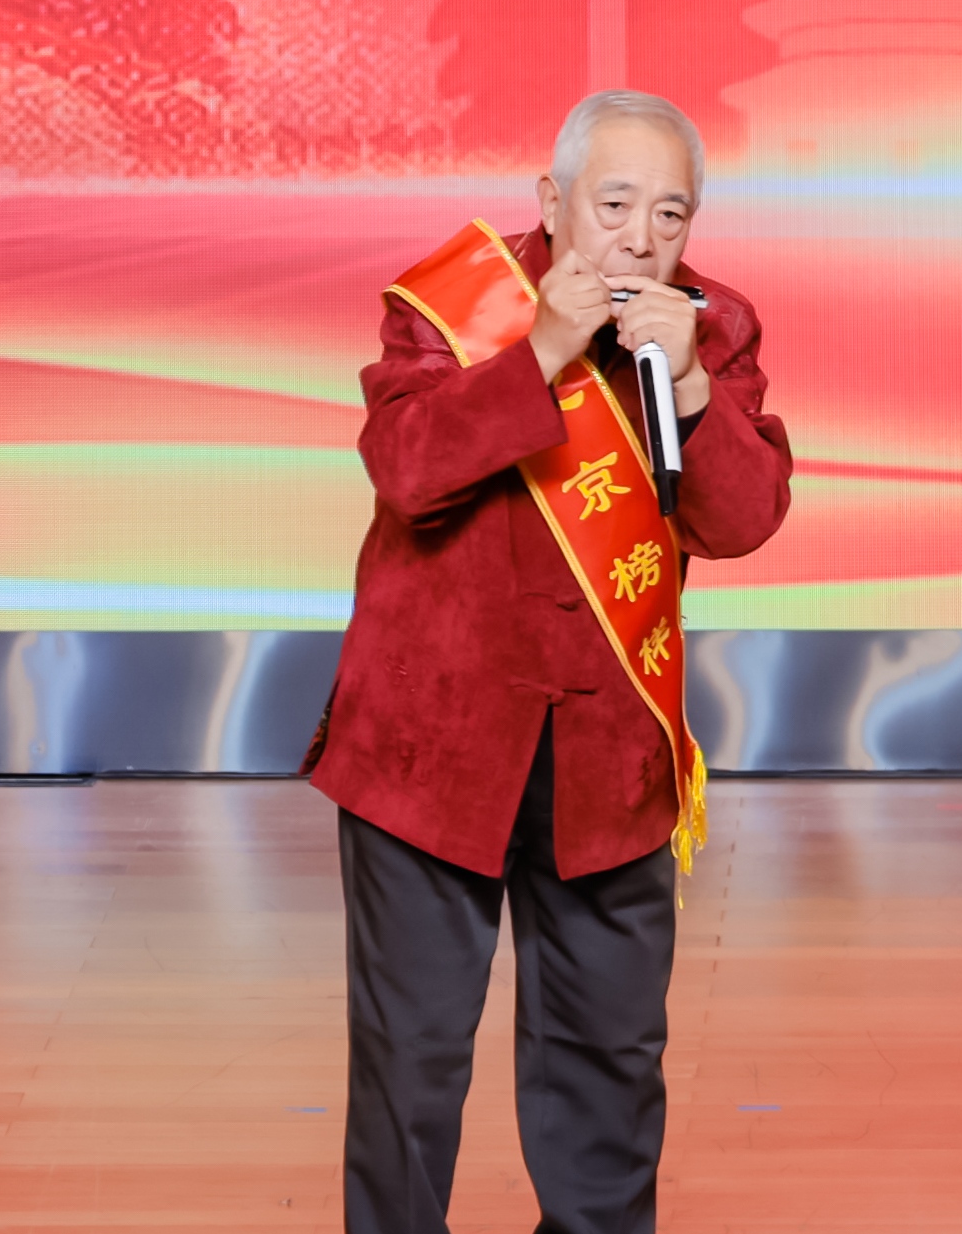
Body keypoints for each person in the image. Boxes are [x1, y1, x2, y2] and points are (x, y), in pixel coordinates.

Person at [307, 89, 792, 1234]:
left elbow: (744, 518)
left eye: (668, 212)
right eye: (613, 204)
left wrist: (690, 386)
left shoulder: (712, 326)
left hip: (609, 761)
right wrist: (539, 352)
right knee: (410, 1062)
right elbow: (406, 469)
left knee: (607, 1069)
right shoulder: (453, 303)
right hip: (429, 753)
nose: (639, 237)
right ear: (552, 199)